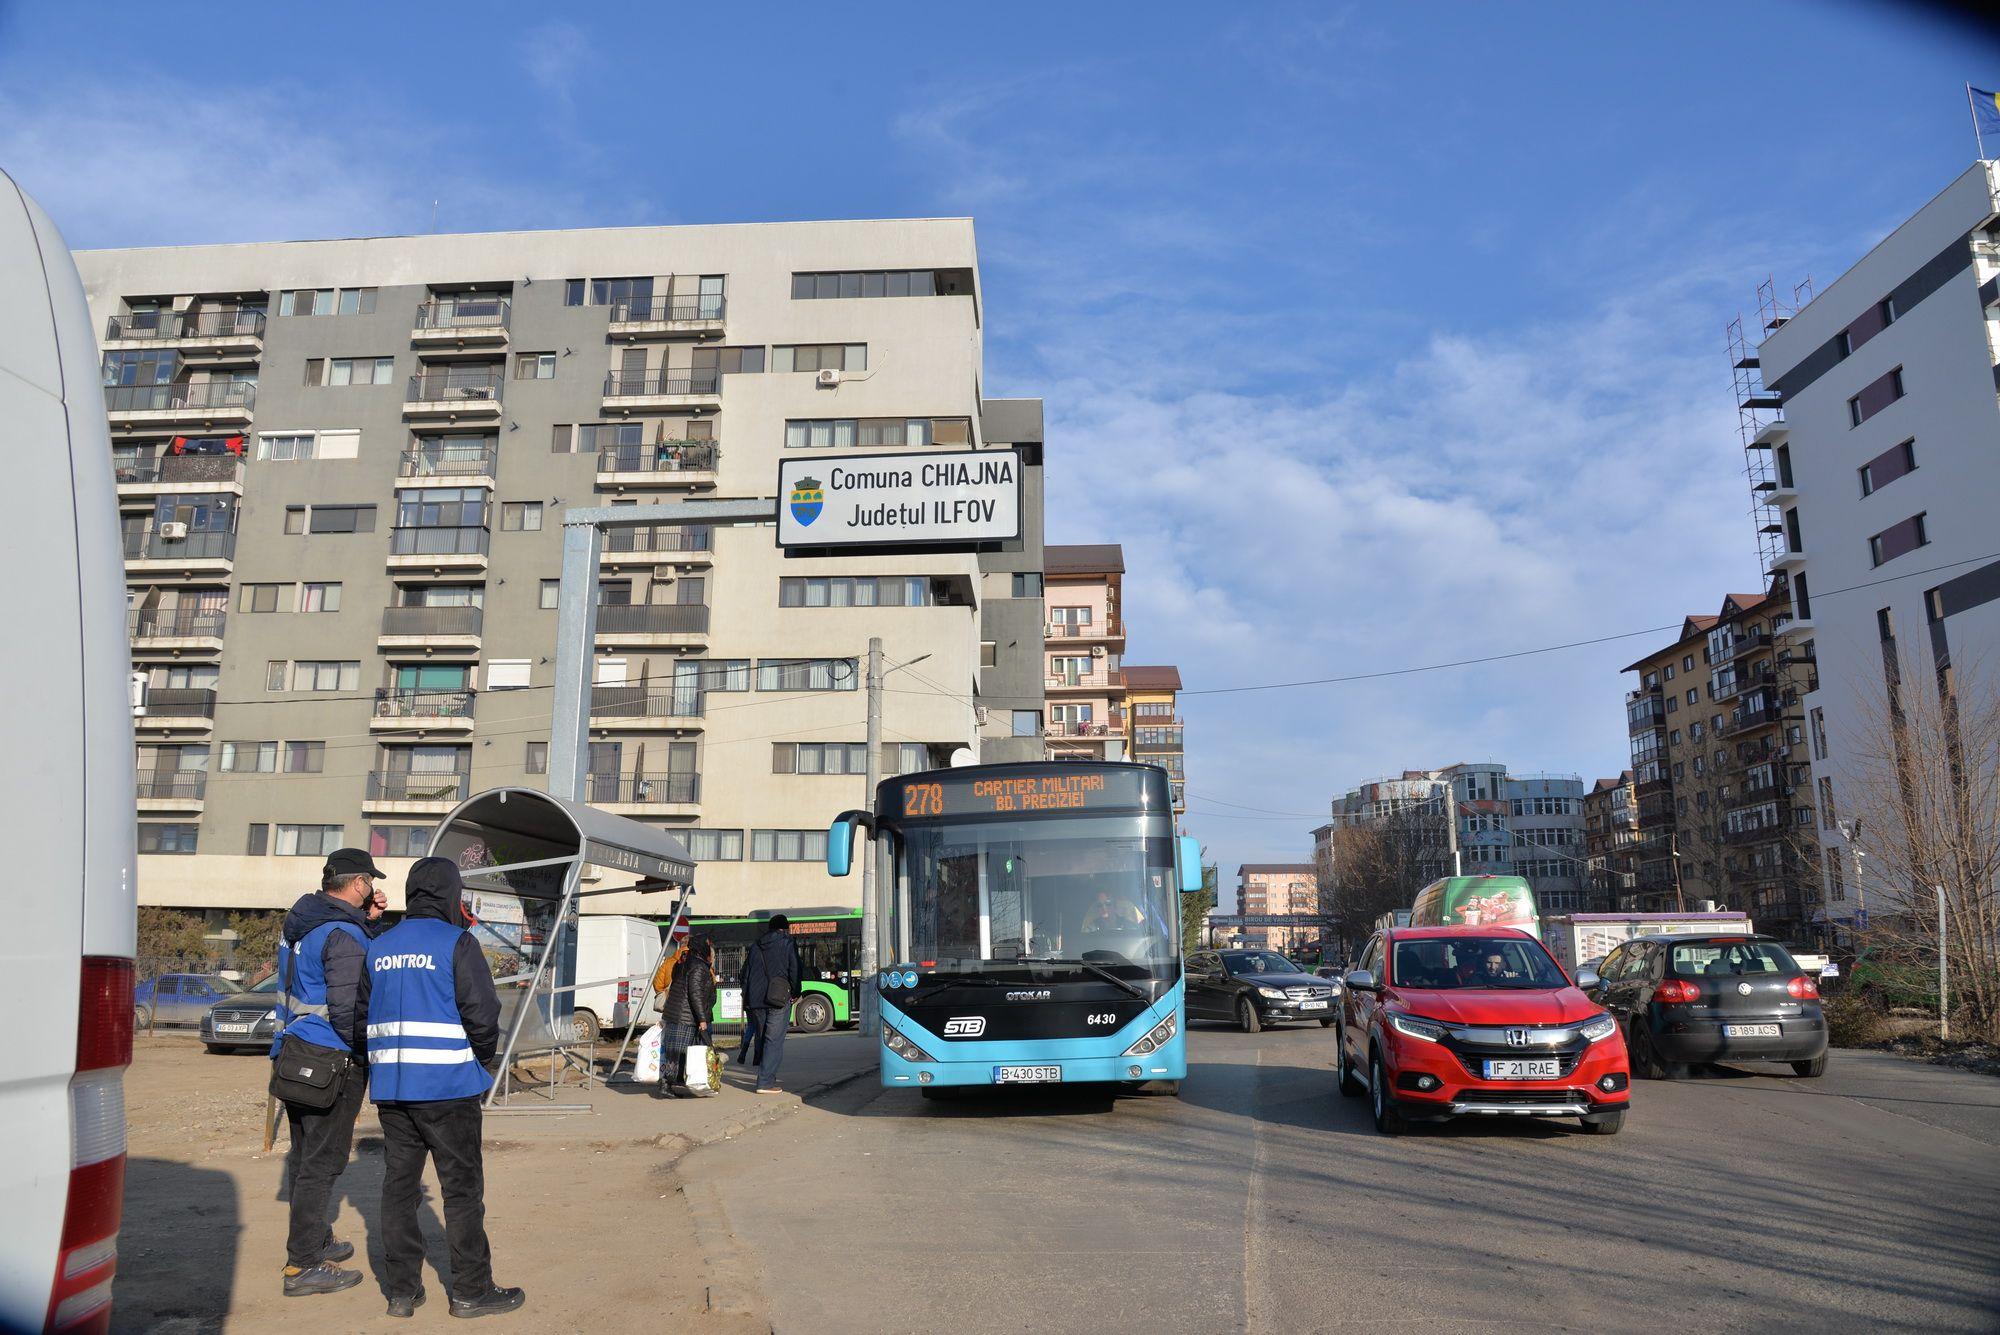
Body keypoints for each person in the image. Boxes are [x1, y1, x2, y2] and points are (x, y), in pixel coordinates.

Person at [363, 857, 524, 1320]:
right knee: (461, 1191)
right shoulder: (458, 943)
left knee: (399, 1189)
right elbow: (483, 1015)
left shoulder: (379, 946)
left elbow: (358, 1016)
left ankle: (402, 1291)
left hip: (393, 1090)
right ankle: (472, 1291)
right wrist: (481, 1059)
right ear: (452, 895)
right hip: (448, 1089)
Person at [273, 848, 386, 1299]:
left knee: (304, 1157)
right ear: (358, 883)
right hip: (333, 1062)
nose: (371, 891)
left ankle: (315, 1240)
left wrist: (370, 923)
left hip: (295, 1051)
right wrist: (366, 1053)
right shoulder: (343, 934)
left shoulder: (304, 926)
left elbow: (319, 981)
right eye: (369, 884)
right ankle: (302, 1266)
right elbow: (348, 1005)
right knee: (323, 1163)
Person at [739, 915, 802, 1094]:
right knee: (773, 1040)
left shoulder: (756, 945)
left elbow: (745, 973)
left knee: (762, 1036)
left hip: (756, 999)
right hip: (778, 998)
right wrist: (795, 992)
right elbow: (795, 969)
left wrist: (747, 997)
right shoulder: (788, 943)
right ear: (784, 929)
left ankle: (766, 1075)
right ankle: (765, 1082)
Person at [656, 934, 718, 1099]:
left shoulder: (684, 962)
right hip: (685, 1016)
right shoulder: (697, 966)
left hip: (677, 1014)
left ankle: (673, 1083)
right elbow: (695, 994)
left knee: (677, 1052)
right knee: (677, 1052)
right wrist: (702, 1019)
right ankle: (666, 1085)